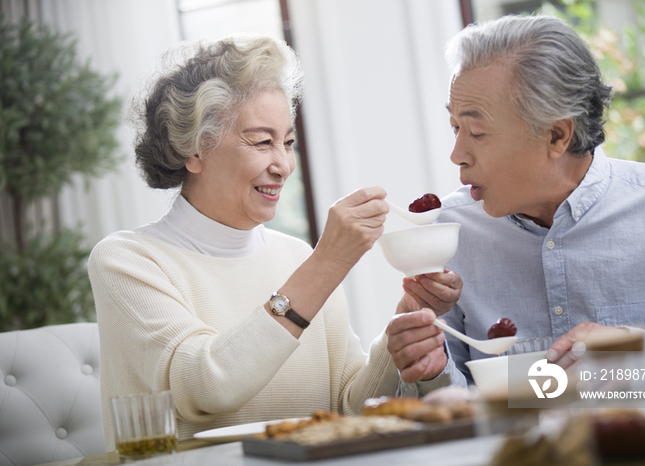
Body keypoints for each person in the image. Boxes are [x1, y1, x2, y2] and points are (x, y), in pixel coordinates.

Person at [88, 35, 464, 450]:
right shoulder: (128, 260)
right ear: (194, 150)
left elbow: (349, 408)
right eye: (262, 141)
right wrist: (328, 262)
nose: (283, 165)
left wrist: (401, 331)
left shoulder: (296, 257)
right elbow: (206, 386)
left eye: (287, 142)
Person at [436, 14, 645, 381]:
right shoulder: (449, 234)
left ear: (557, 136)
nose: (457, 154)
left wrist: (635, 348)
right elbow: (447, 407)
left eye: (477, 132)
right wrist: (427, 368)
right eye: (455, 127)